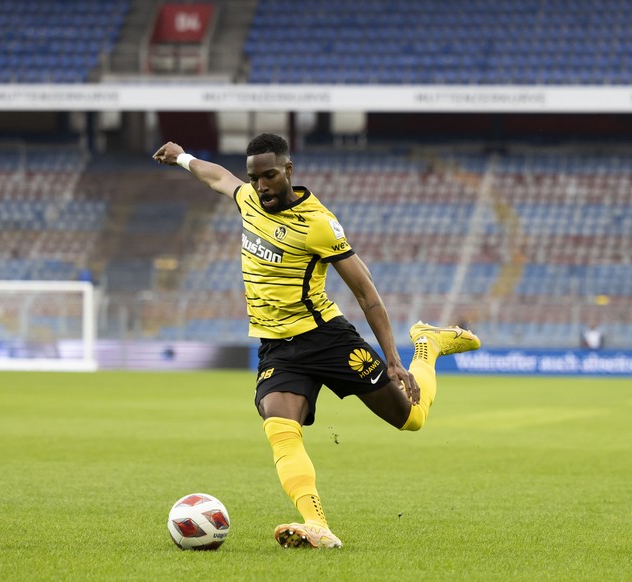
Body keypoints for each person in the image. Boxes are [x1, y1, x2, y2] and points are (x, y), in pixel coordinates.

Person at [153, 134, 480, 549]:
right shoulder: (249, 199)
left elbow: (366, 292)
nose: (262, 186)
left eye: (270, 175)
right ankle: (316, 524)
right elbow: (217, 176)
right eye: (255, 178)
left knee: (410, 418)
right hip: (278, 348)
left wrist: (395, 360)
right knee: (280, 428)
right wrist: (182, 157)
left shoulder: (318, 224)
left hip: (326, 339)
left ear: (288, 171)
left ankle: (428, 346)